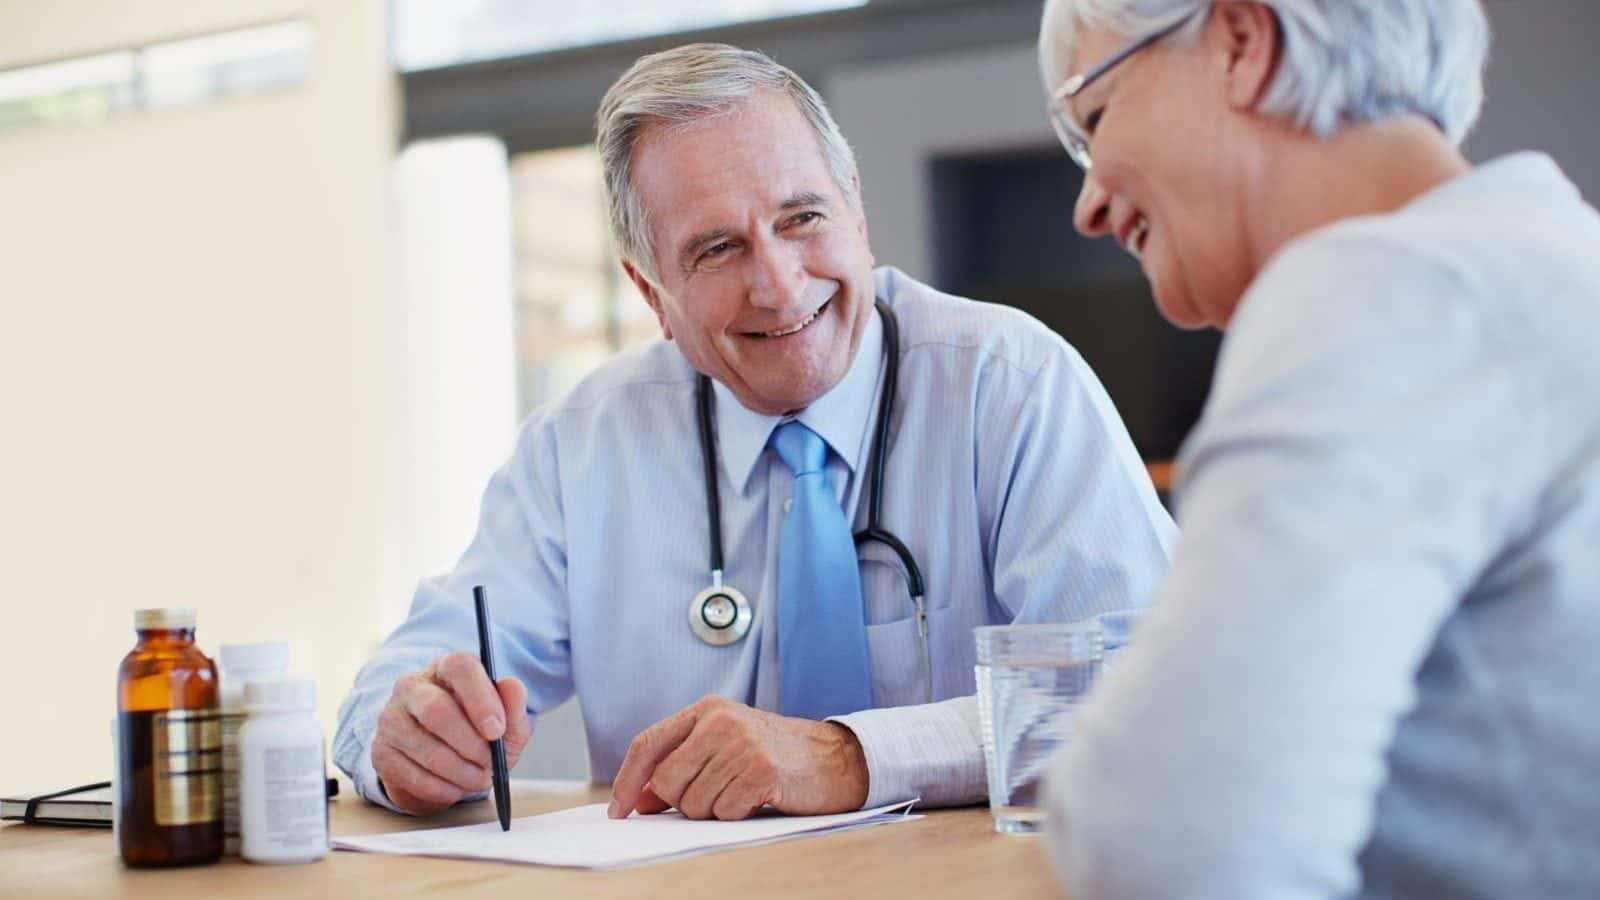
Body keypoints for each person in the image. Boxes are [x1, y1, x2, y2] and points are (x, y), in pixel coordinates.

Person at [334, 42, 1175, 822]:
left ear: (856, 212)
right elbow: (396, 686)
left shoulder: (1013, 384)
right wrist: (407, 737)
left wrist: (849, 757)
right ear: (651, 293)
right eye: (717, 249)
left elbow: (1150, 693)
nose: (777, 284)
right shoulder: (580, 448)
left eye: (802, 218)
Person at [1035, 1, 1600, 897]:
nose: (1088, 206)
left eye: (1093, 121)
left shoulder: (1385, 293)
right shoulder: (1553, 255)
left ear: (1240, 42)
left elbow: (1167, 840)